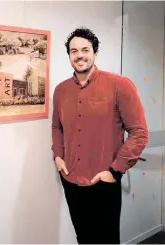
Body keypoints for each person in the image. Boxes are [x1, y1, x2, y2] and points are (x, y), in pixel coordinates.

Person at [51, 27, 149, 244]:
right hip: (70, 179)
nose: (79, 55)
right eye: (74, 51)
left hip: (103, 181)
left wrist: (114, 171)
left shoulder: (120, 85)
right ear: (69, 55)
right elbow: (57, 127)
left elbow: (139, 133)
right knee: (83, 238)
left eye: (85, 49)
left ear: (95, 52)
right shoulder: (60, 91)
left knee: (106, 239)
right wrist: (58, 157)